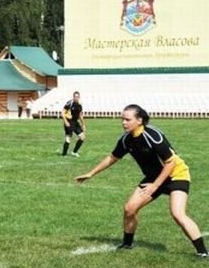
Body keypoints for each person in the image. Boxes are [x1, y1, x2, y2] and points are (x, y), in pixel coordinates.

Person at [74, 104, 207, 257]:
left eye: (127, 119)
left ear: (139, 120)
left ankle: (203, 252)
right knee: (129, 209)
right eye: (122, 119)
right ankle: (127, 245)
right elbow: (113, 157)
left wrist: (155, 186)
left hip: (176, 174)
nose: (123, 122)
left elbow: (171, 163)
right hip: (153, 177)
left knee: (177, 213)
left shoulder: (153, 135)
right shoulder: (126, 140)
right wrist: (91, 173)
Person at [61, 91, 86, 157]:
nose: (76, 98)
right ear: (73, 97)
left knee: (82, 137)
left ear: (79, 97)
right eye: (75, 97)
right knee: (68, 139)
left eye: (77, 97)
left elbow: (80, 115)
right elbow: (63, 112)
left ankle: (74, 152)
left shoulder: (80, 105)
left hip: (75, 123)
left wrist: (83, 124)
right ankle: (64, 154)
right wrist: (65, 121)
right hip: (69, 122)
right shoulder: (69, 103)